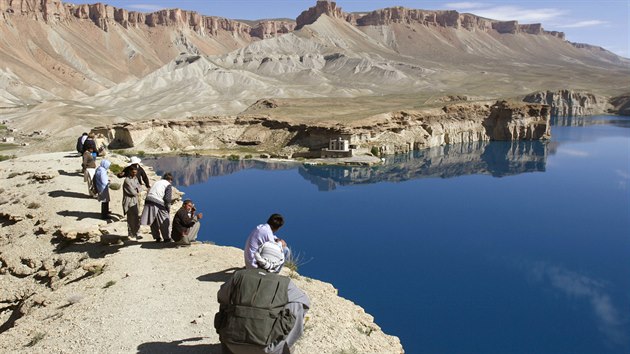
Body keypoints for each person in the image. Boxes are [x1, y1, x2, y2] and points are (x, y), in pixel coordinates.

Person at [215, 241, 310, 354]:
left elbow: (221, 296)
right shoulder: (286, 284)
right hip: (266, 349)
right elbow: (305, 303)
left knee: (227, 299)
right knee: (297, 305)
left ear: (257, 258)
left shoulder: (238, 276)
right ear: (280, 263)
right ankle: (283, 346)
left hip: (231, 344)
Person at [140, 173, 173, 242]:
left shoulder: (157, 182)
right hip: (157, 201)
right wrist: (167, 208)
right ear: (170, 180)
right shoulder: (168, 185)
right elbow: (167, 198)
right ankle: (167, 238)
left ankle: (157, 237)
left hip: (148, 200)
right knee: (164, 219)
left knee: (153, 219)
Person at [122, 166, 142, 240]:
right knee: (130, 218)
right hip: (129, 201)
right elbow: (132, 192)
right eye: (133, 172)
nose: (134, 174)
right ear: (130, 172)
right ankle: (130, 234)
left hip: (135, 201)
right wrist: (136, 190)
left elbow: (140, 187)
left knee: (136, 217)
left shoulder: (136, 179)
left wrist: (137, 189)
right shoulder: (127, 180)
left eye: (136, 173)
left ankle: (136, 233)